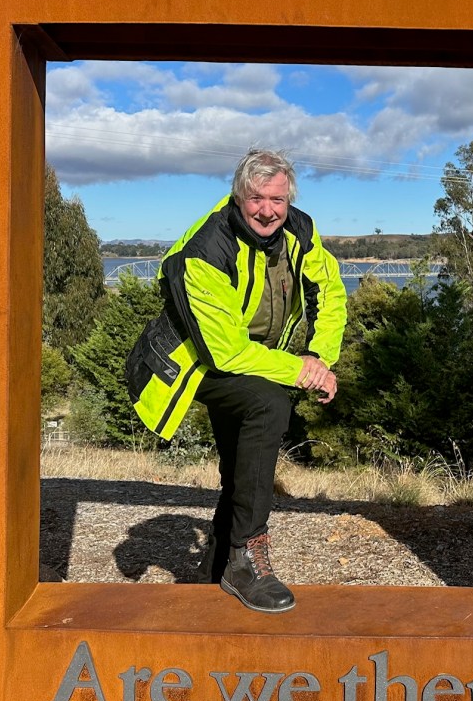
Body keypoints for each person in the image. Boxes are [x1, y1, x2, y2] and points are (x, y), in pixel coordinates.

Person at [126, 149, 347, 613]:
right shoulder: (207, 249)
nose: (267, 210)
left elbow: (330, 291)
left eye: (277, 200)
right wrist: (302, 372)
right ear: (238, 196)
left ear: (289, 200)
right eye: (256, 199)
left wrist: (320, 356)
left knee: (242, 470)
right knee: (268, 404)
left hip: (252, 360)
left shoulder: (300, 231)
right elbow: (226, 353)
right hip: (195, 364)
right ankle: (246, 559)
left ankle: (214, 577)